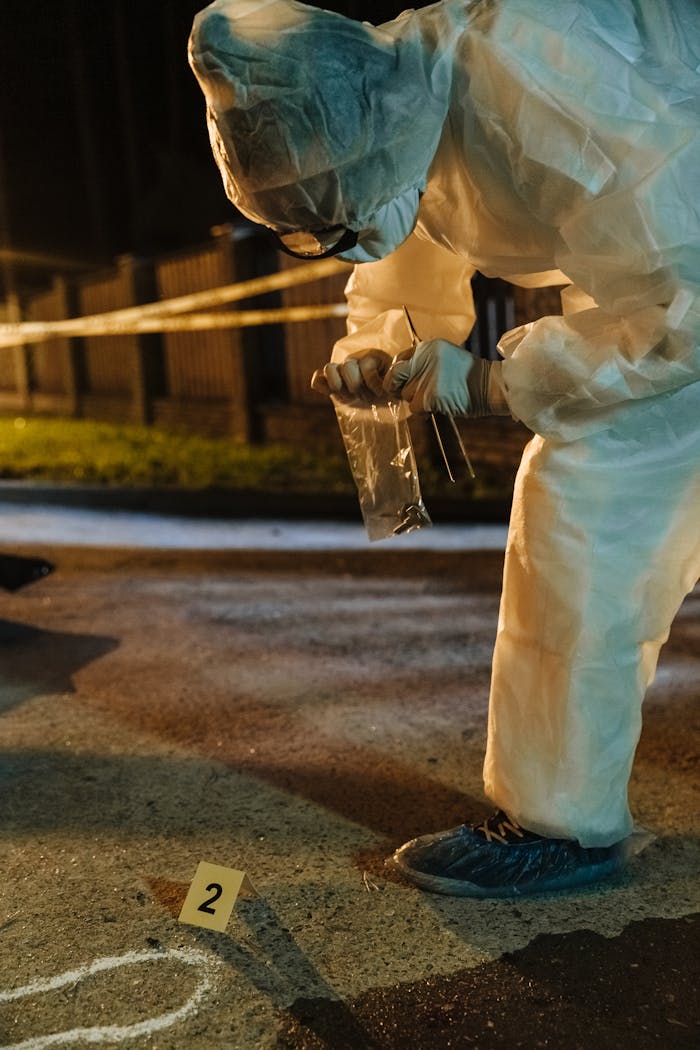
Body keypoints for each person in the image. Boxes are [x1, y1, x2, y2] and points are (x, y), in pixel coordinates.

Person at [189, 0, 700, 897]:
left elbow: (685, 308)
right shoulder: (400, 100)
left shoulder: (548, 83)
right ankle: (560, 814)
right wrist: (380, 345)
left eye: (337, 214)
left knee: (589, 505)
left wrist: (503, 384)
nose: (339, 238)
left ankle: (561, 825)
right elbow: (407, 234)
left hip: (684, 290)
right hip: (658, 289)